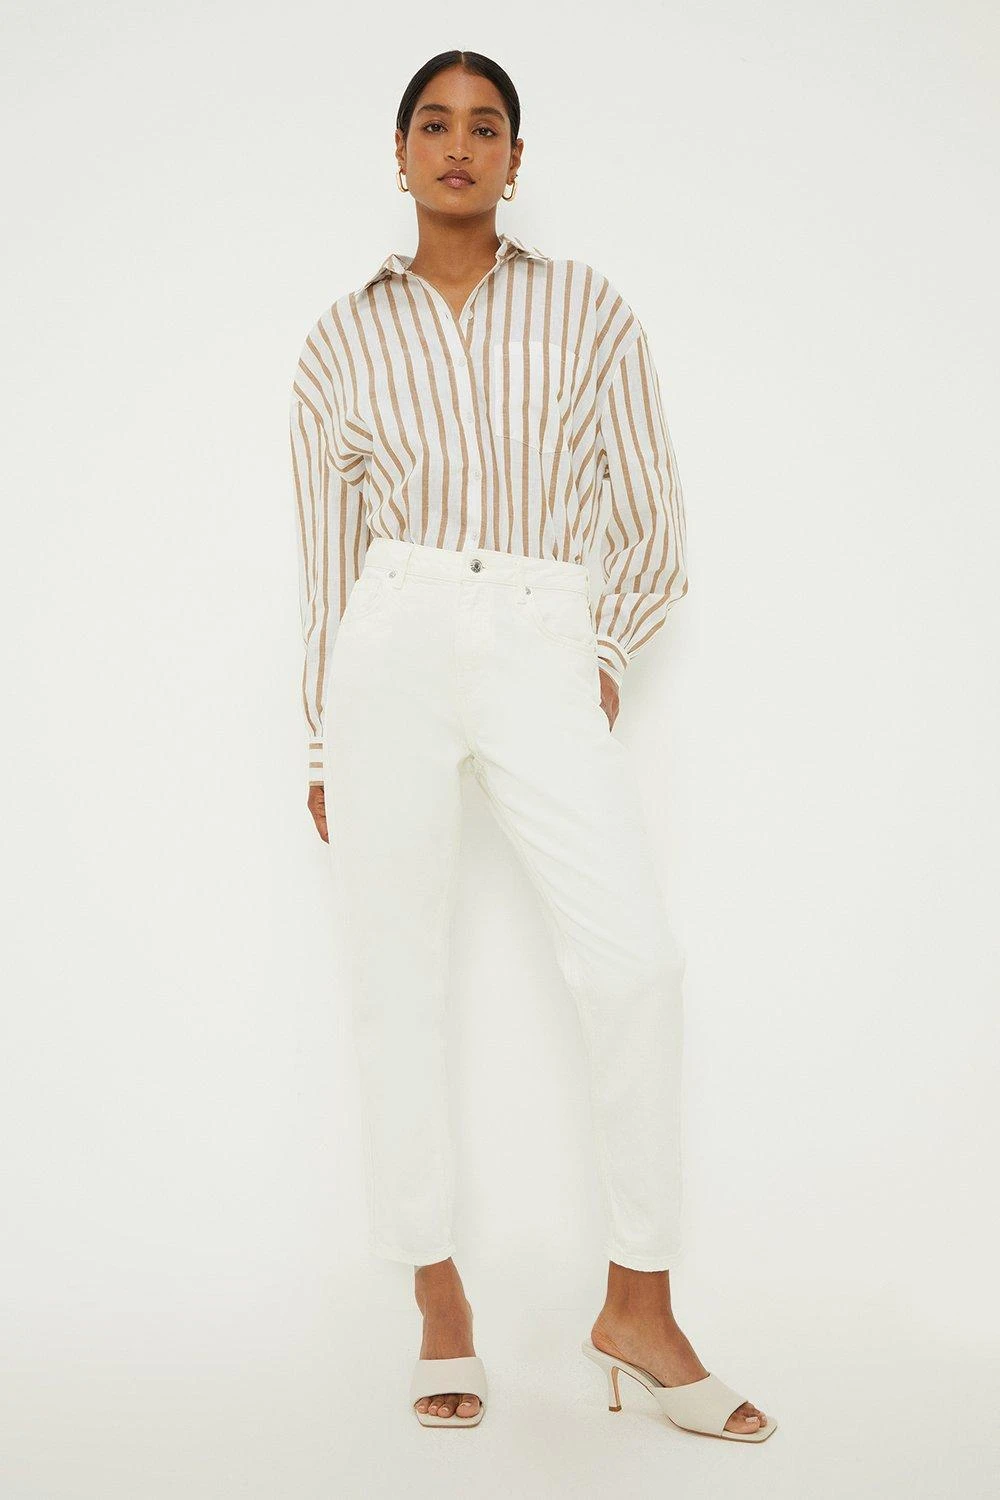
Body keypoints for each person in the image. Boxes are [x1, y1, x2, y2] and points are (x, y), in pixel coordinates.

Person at [288, 50, 776, 1442]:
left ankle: (639, 1304)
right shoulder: (338, 340)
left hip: (539, 629)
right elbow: (327, 558)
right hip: (390, 641)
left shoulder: (589, 309)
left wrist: (600, 651)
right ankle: (438, 1297)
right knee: (396, 979)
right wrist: (318, 738)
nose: (459, 145)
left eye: (485, 125)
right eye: (434, 124)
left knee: (637, 963)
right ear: (399, 152)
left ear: (515, 157)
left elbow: (652, 513)